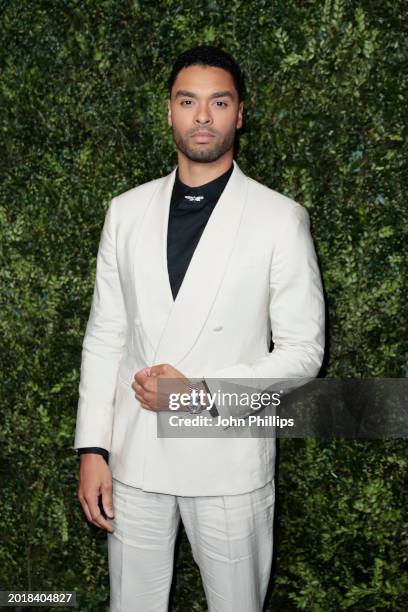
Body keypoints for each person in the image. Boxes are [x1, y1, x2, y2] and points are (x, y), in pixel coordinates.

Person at [74, 45, 325, 612]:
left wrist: (198, 393)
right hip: (134, 459)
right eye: (189, 101)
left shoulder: (279, 218)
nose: (203, 116)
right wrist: (93, 447)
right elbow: (104, 335)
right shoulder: (126, 211)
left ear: (240, 113)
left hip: (228, 461)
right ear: (169, 111)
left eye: (219, 101)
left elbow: (304, 352)